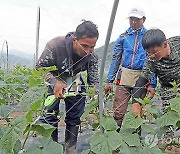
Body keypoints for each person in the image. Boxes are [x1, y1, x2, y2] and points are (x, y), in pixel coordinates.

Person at [36, 20, 99, 154]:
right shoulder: (55, 46)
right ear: (74, 40)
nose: (88, 51)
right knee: (49, 114)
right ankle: (50, 147)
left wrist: (96, 95)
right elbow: (39, 69)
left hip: (74, 78)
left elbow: (94, 79)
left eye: (92, 47)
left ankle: (70, 148)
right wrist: (54, 82)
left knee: (75, 115)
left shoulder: (92, 56)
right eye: (85, 46)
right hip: (52, 78)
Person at [104, 8, 157, 129]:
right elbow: (116, 59)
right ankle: (115, 140)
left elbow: (153, 60)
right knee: (118, 110)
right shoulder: (123, 37)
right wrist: (109, 80)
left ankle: (135, 140)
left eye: (137, 19)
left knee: (136, 111)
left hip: (142, 77)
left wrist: (152, 84)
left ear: (143, 19)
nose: (133, 22)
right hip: (125, 76)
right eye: (131, 19)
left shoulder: (149, 37)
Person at [131, 28, 180, 118]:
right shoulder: (150, 59)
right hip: (168, 88)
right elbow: (142, 79)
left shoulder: (178, 44)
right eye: (148, 53)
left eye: (154, 52)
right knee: (168, 119)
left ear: (165, 45)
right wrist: (135, 103)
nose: (152, 56)